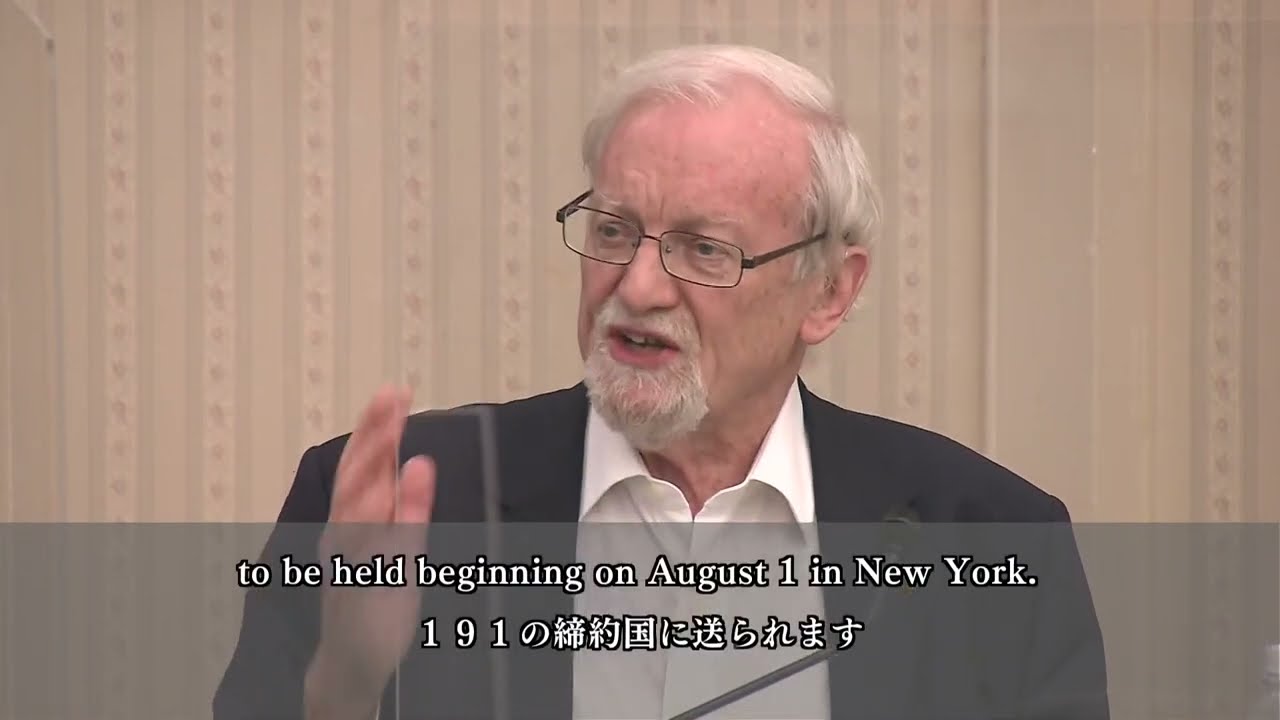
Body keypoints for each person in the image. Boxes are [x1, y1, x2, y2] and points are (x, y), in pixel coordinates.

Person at [214, 44, 1109, 720]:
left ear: (829, 292)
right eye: (613, 231)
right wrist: (344, 688)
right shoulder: (389, 505)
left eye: (703, 249)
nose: (637, 287)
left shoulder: (995, 540)